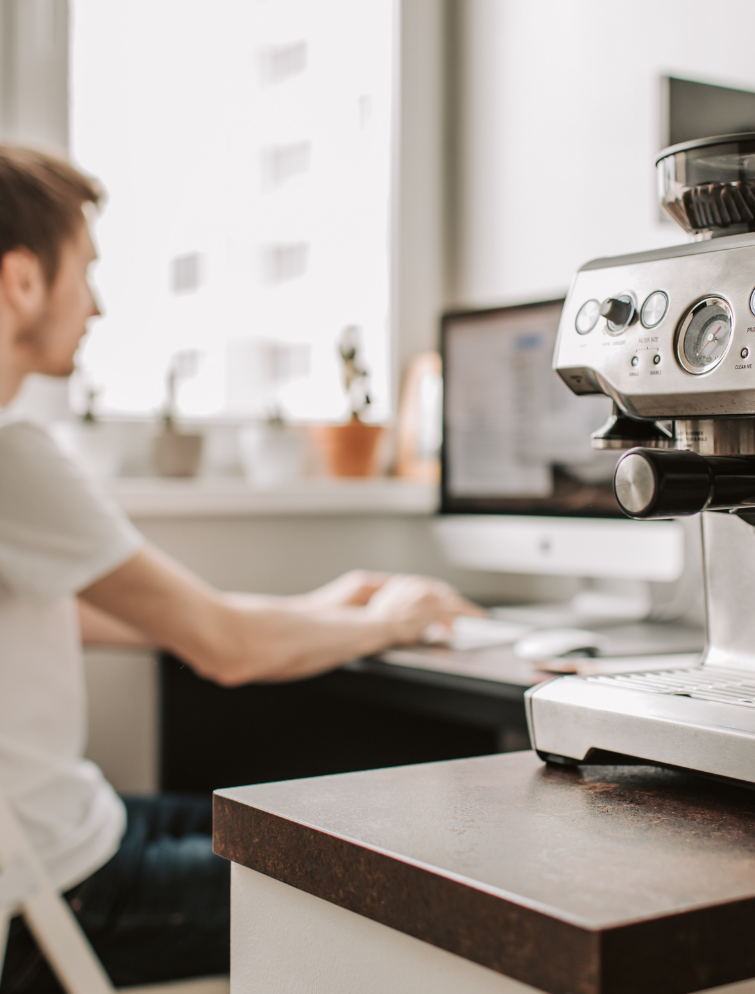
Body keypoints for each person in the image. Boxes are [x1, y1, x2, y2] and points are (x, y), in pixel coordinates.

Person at [0, 145, 481, 992]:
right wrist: (389, 621)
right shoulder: (14, 461)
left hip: (78, 829)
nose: (98, 305)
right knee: (394, 891)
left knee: (295, 826)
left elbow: (90, 615)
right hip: (62, 893)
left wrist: (323, 606)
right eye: (88, 270)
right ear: (22, 281)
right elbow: (225, 647)